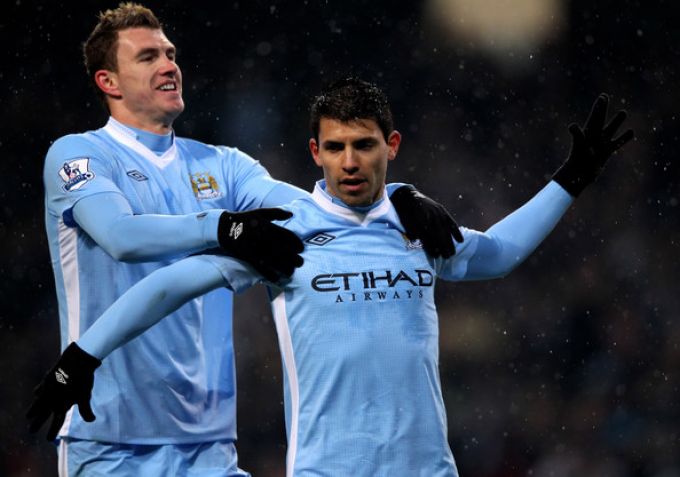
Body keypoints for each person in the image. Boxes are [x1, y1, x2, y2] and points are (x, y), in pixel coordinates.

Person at [28, 77, 634, 476]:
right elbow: (170, 286)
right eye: (336, 147)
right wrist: (83, 354)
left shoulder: (416, 226)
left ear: (391, 145)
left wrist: (571, 178)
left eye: (364, 145)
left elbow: (498, 254)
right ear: (314, 152)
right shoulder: (283, 234)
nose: (350, 162)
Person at [27, 4, 464, 476]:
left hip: (208, 443)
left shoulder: (224, 165)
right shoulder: (78, 154)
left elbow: (322, 216)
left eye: (170, 54)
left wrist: (397, 197)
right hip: (109, 435)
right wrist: (222, 227)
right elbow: (120, 236)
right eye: (148, 57)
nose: (169, 66)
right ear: (108, 81)